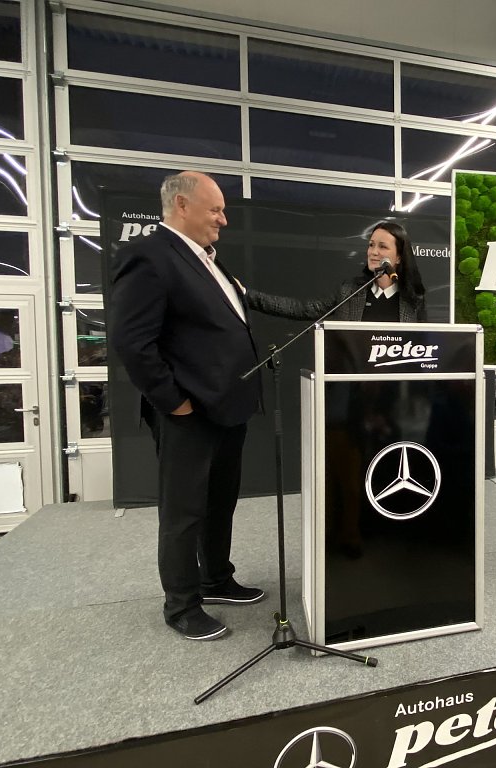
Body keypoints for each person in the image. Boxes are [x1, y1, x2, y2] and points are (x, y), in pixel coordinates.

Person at [109, 171, 265, 641]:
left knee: (220, 502)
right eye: (215, 209)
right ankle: (181, 605)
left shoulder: (208, 261)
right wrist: (173, 402)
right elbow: (132, 342)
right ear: (181, 205)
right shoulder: (150, 256)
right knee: (184, 512)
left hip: (227, 408)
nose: (223, 219)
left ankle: (216, 578)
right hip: (188, 413)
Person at [243, 220, 428, 323]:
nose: (373, 252)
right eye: (371, 245)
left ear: (399, 257)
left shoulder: (413, 299)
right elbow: (302, 309)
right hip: (351, 380)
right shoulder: (349, 291)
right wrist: (245, 295)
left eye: (382, 246)